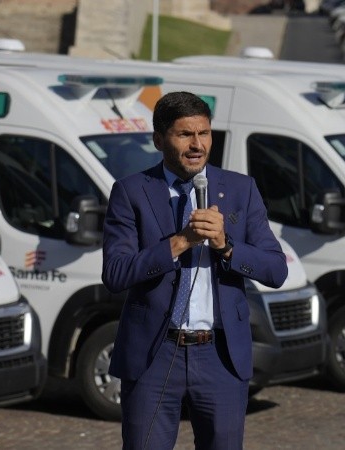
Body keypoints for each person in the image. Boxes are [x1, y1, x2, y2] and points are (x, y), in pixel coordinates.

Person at [101, 91, 287, 450]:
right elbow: (116, 273)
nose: (197, 145)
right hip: (154, 355)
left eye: (204, 134)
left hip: (218, 355)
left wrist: (225, 245)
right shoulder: (131, 192)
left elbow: (276, 270)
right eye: (185, 135)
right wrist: (180, 242)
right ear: (159, 140)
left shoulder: (240, 190)